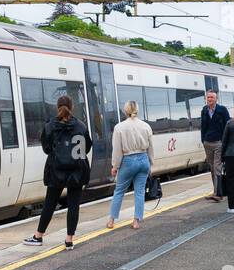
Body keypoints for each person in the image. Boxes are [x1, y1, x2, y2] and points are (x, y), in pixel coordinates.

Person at [25, 94, 91, 250]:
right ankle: (69, 240)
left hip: (56, 170)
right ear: (72, 107)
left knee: (49, 204)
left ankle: (38, 236)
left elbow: (46, 149)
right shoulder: (81, 126)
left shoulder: (49, 126)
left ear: (57, 107)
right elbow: (86, 148)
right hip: (77, 171)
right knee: (74, 205)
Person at [106, 100, 154, 230]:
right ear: (137, 110)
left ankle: (111, 220)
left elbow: (117, 150)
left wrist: (115, 166)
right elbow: (151, 148)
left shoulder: (119, 127)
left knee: (119, 191)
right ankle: (136, 221)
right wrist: (151, 164)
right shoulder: (146, 126)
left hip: (128, 161)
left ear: (125, 111)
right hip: (143, 159)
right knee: (139, 192)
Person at [199, 89, 229, 203]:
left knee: (217, 167)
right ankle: (216, 191)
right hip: (207, 142)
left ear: (216, 99)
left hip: (218, 142)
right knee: (212, 167)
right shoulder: (204, 110)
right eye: (208, 97)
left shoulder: (222, 110)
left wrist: (224, 141)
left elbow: (227, 125)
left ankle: (219, 193)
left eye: (212, 97)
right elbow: (203, 126)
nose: (210, 99)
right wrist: (203, 140)